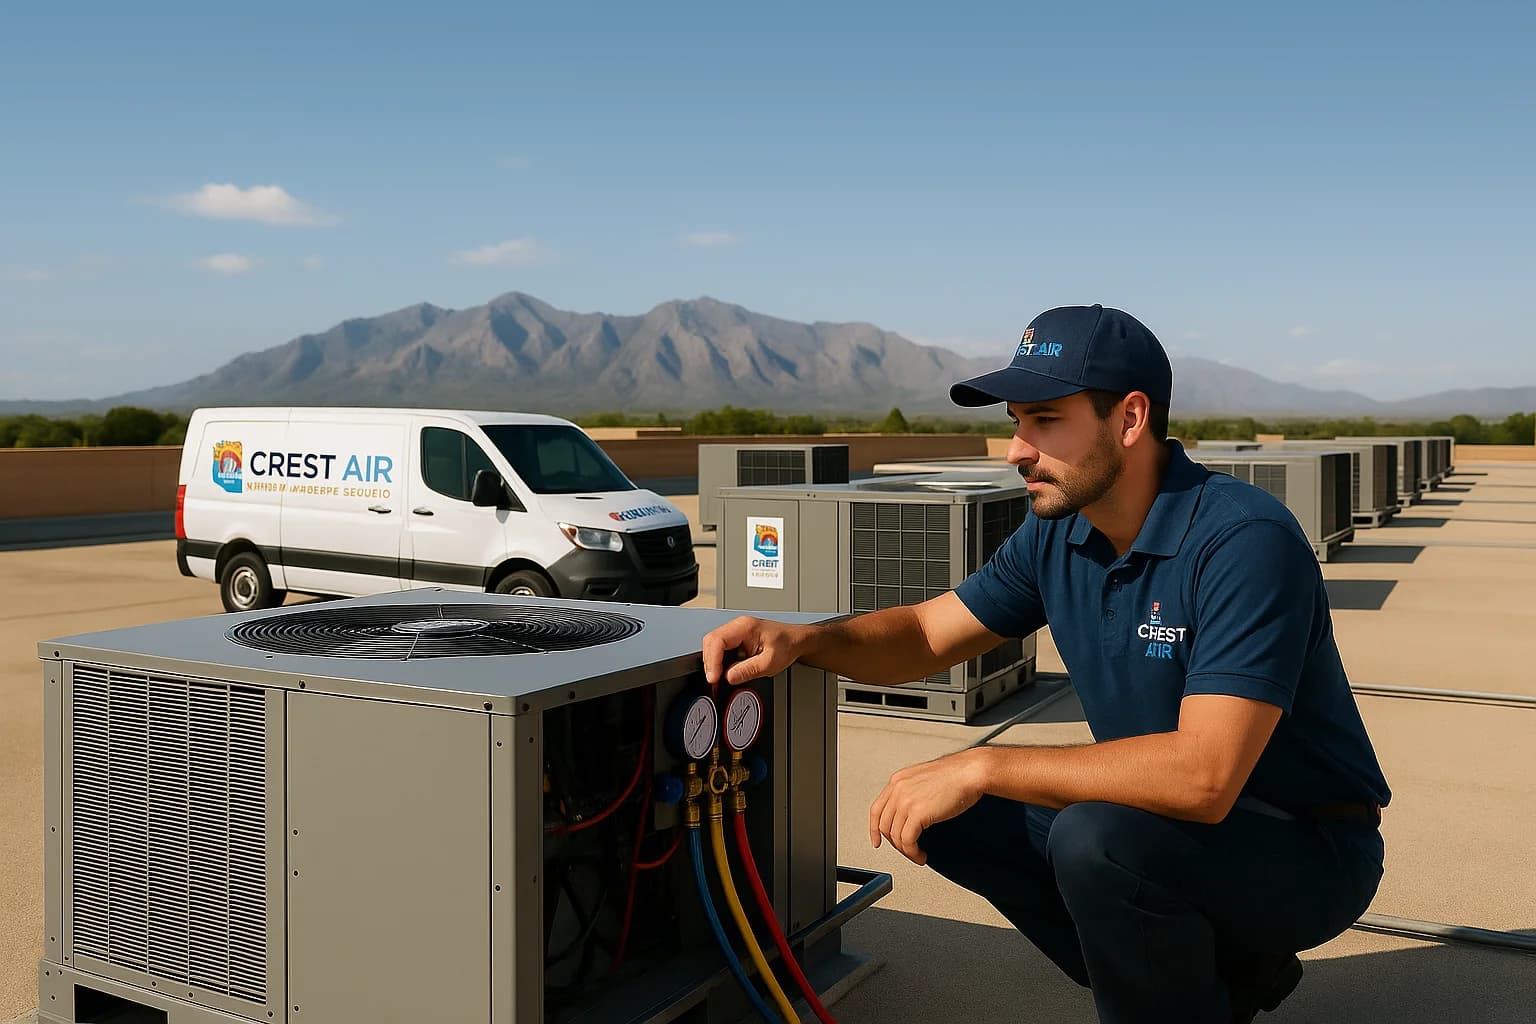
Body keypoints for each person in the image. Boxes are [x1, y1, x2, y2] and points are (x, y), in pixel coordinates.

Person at [702, 304, 1390, 1024]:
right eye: (1016, 422)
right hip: (1171, 828)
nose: (1016, 450)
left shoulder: (1243, 541)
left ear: (1128, 419)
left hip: (1304, 846)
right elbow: (926, 634)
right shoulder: (1059, 533)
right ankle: (1223, 976)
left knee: (1094, 839)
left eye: (1045, 421)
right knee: (949, 818)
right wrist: (806, 640)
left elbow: (1206, 776)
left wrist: (985, 764)